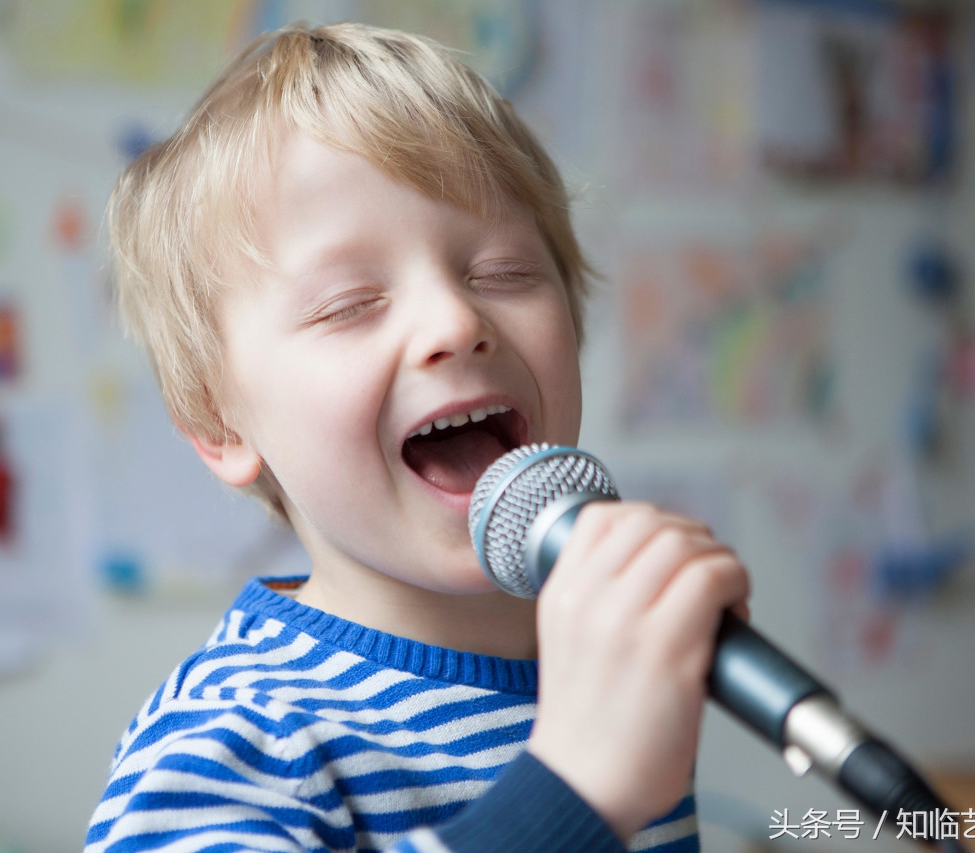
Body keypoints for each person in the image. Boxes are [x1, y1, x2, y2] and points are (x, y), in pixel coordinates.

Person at [85, 22, 749, 853]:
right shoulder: (237, 735)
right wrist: (572, 792)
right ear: (222, 424)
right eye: (349, 303)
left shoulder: (603, 662)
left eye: (502, 272)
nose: (456, 321)